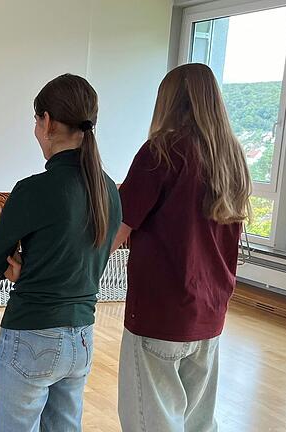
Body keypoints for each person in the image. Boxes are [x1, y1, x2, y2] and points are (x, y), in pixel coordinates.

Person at [0, 74, 121, 432]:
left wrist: (22, 267)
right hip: (82, 338)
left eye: (36, 120)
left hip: (32, 334)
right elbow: (85, 263)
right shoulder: (109, 191)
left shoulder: (34, 190)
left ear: (47, 122)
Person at [113, 63, 252, 432]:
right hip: (210, 317)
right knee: (198, 424)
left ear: (169, 102)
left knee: (150, 422)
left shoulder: (161, 150)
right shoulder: (233, 157)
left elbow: (117, 230)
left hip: (160, 315)